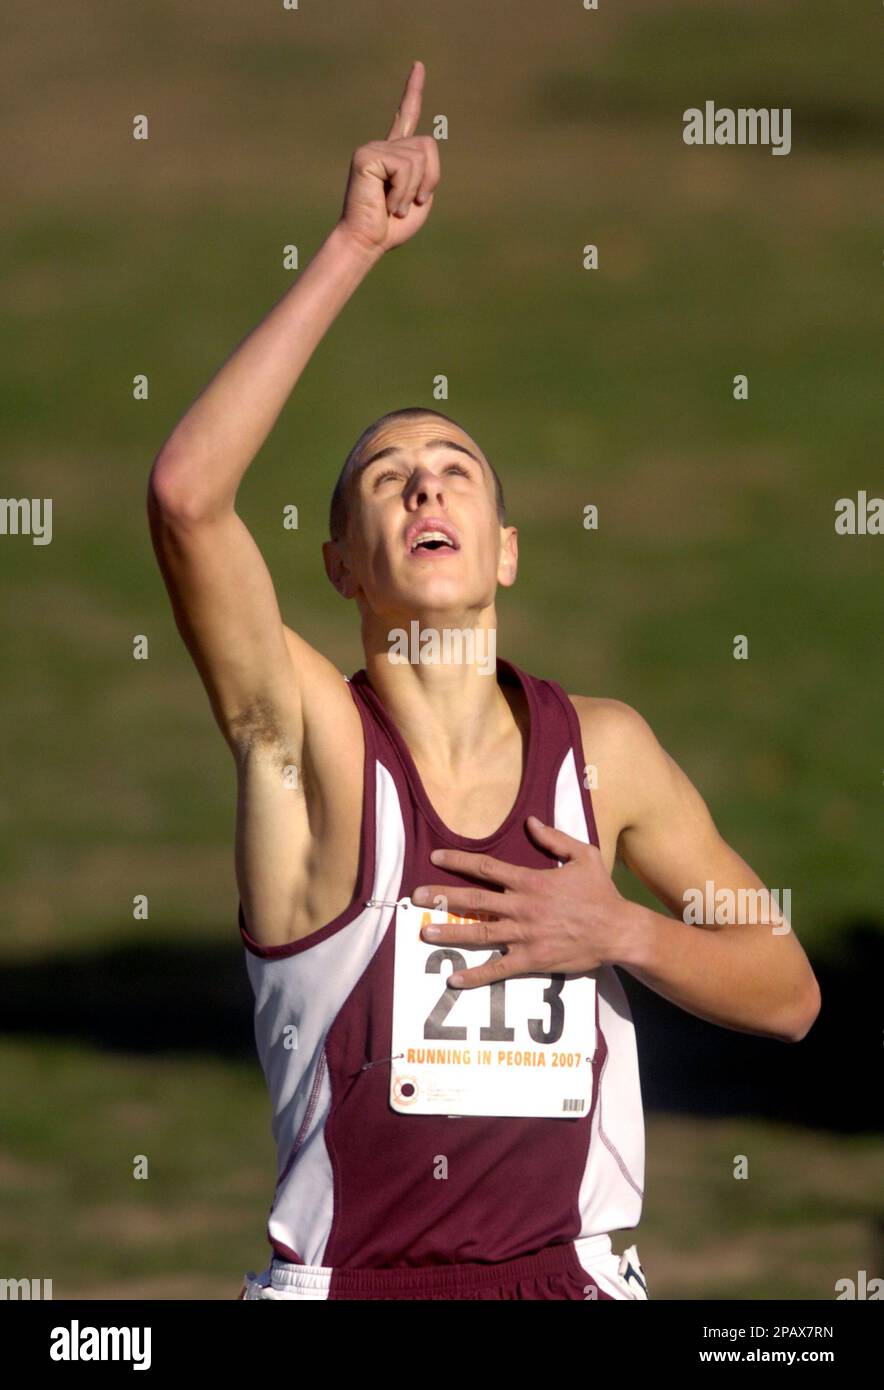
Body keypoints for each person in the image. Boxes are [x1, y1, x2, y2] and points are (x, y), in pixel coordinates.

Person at [147, 61, 821, 1302]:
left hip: (568, 1281)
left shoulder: (601, 752)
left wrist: (613, 928)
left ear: (503, 545)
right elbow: (188, 498)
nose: (424, 486)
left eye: (454, 468)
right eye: (386, 476)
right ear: (340, 564)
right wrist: (353, 246)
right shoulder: (305, 744)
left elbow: (785, 994)